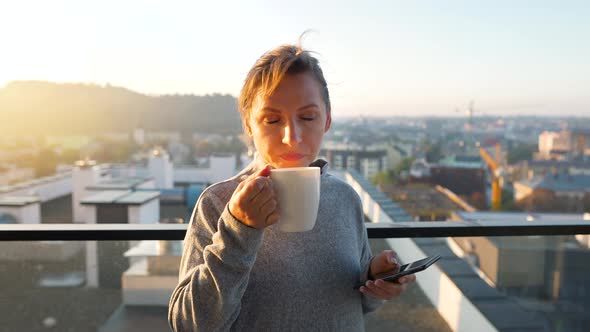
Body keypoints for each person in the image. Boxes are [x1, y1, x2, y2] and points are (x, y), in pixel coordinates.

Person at [168, 41, 416, 331]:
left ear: (327, 120)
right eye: (272, 119)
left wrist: (375, 279)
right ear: (249, 125)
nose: (292, 136)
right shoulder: (219, 203)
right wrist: (238, 229)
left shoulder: (344, 197)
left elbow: (355, 304)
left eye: (308, 117)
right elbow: (188, 324)